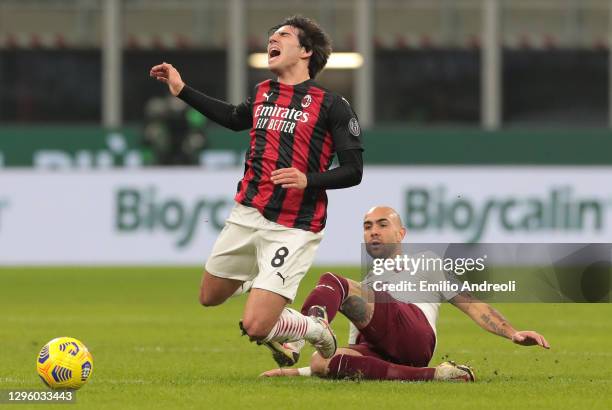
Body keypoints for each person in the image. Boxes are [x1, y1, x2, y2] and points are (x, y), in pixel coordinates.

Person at [149, 15, 363, 361]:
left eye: (282, 35)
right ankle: (267, 290)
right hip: (248, 212)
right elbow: (235, 118)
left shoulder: (332, 105)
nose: (271, 41)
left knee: (256, 326)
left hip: (294, 225)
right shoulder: (264, 93)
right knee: (210, 295)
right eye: (270, 37)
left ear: (306, 51)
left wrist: (308, 178)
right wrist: (181, 90)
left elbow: (354, 171)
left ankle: (314, 329)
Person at [261, 206, 550, 381]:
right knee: (321, 361)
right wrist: (297, 373)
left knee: (332, 282)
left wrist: (511, 332)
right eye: (367, 227)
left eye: (382, 225)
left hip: (414, 332)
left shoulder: (425, 261)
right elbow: (358, 347)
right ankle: (436, 375)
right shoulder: (368, 281)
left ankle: (297, 339)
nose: (373, 231)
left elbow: (472, 305)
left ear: (401, 234)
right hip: (389, 351)